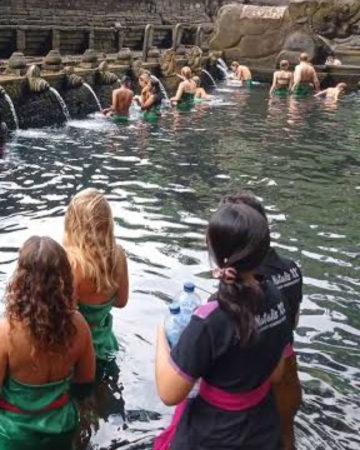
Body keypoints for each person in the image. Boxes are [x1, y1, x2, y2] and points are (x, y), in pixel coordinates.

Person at [154, 203, 292, 450]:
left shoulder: (210, 319)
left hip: (212, 435)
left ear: (216, 253)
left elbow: (169, 392)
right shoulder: (277, 298)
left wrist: (161, 337)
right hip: (262, 431)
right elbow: (277, 373)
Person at [0, 236, 96, 449]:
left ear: (21, 278)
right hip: (60, 431)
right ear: (65, 278)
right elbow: (85, 382)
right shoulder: (79, 325)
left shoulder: (4, 330)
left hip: (10, 437)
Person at [220, 192, 303, 450]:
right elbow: (295, 321)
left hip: (256, 382)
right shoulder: (291, 269)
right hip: (288, 371)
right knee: (287, 438)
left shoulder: (246, 283)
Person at [63, 189, 129, 380]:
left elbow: (65, 314)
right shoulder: (119, 256)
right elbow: (121, 301)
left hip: (78, 348)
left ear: (72, 222)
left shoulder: (71, 264)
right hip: (105, 342)